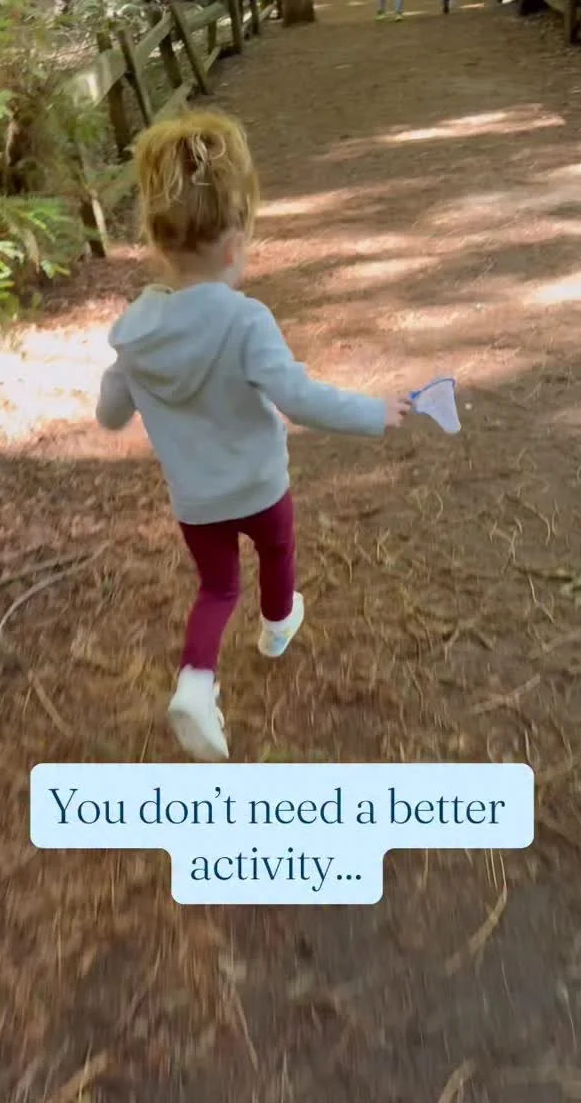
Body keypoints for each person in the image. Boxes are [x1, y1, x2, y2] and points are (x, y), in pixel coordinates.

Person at [95, 112, 412, 763]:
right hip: (262, 487)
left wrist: (123, 375)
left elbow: (109, 415)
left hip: (196, 501)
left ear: (157, 242)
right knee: (277, 552)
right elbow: (299, 397)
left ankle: (195, 683)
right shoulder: (246, 321)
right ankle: (277, 625)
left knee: (217, 590)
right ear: (234, 244)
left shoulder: (134, 334)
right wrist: (373, 413)